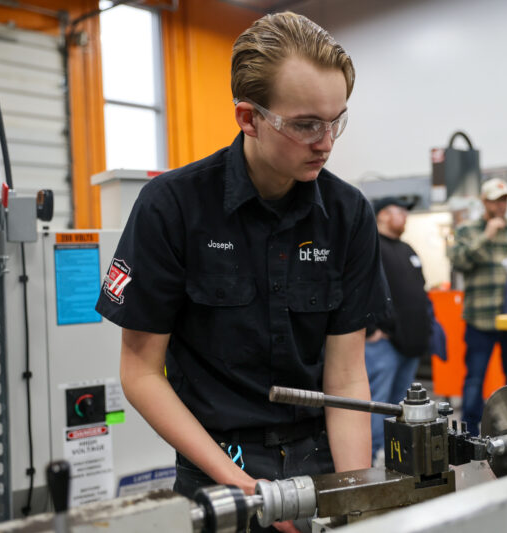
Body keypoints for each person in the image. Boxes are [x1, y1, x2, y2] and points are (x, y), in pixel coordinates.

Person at [95, 12, 390, 533]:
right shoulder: (173, 208)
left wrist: (355, 498)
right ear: (248, 118)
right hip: (217, 470)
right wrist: (245, 488)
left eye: (336, 120)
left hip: (317, 466)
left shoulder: (348, 215)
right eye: (305, 125)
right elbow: (140, 373)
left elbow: (346, 376)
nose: (326, 142)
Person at [448, 178, 507, 436]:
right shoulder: (467, 231)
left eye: (505, 200)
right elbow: (459, 261)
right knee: (475, 378)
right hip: (480, 319)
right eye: (496, 200)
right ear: (484, 201)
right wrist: (486, 236)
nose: (501, 205)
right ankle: (467, 432)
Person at [366, 197, 432, 462]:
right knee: (375, 405)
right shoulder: (372, 246)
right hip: (384, 344)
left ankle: (393, 458)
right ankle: (367, 461)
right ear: (382, 215)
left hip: (410, 343)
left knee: (399, 409)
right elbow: (360, 288)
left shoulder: (406, 248)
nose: (405, 215)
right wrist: (371, 329)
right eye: (399, 210)